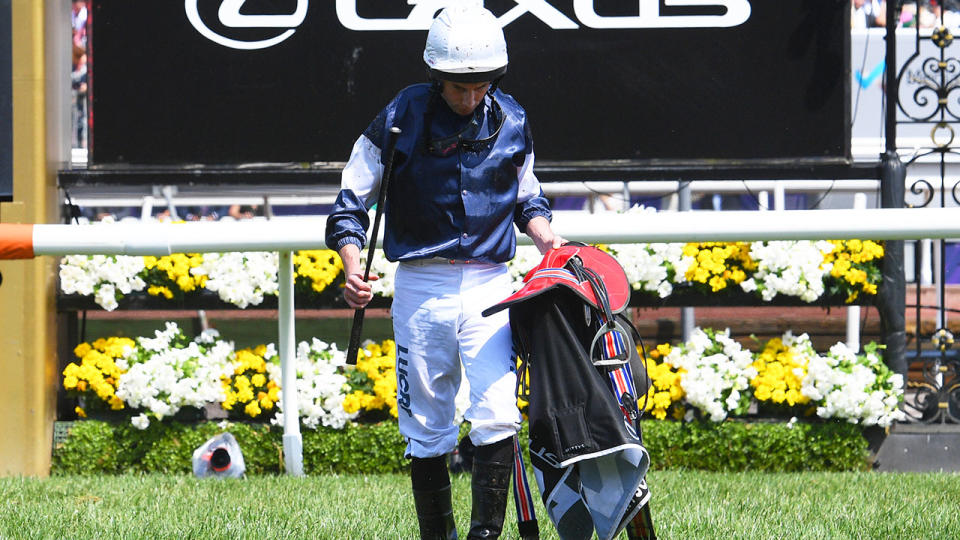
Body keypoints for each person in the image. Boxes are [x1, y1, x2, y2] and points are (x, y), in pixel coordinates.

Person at [325, 4, 563, 538]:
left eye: (482, 85)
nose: (471, 97)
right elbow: (351, 200)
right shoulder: (397, 117)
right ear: (437, 75)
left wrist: (549, 238)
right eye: (460, 86)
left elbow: (529, 199)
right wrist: (351, 265)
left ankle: (485, 535)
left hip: (489, 285)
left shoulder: (515, 119)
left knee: (499, 412)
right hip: (421, 284)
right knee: (427, 426)